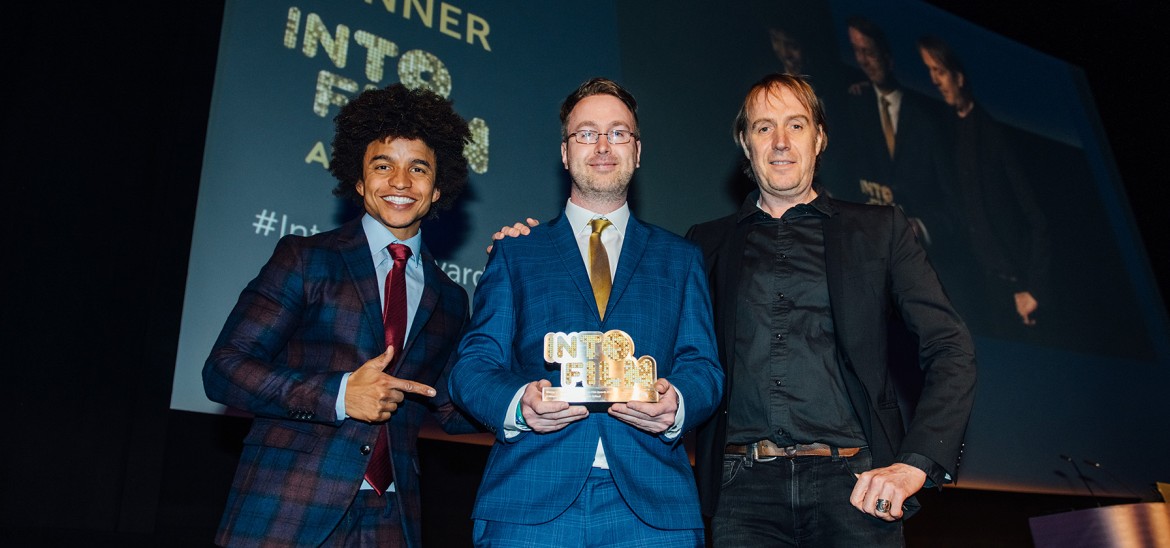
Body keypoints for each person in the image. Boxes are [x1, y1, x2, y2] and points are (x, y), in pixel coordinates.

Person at [686, 73, 977, 546]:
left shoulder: (880, 229)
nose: (780, 142)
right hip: (742, 494)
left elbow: (950, 347)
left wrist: (915, 463)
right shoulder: (705, 243)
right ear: (744, 142)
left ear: (819, 137)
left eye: (796, 125)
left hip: (858, 488)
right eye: (763, 128)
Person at [449, 77, 724, 547]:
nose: (602, 145)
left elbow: (704, 367)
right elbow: (473, 366)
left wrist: (676, 401)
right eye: (586, 133)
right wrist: (520, 403)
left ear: (638, 152)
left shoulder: (681, 258)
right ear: (564, 152)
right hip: (529, 501)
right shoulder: (517, 253)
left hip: (653, 509)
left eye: (618, 133)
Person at [203, 83, 480, 548]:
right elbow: (225, 369)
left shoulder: (450, 298)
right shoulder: (305, 258)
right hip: (288, 505)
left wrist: (531, 399)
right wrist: (338, 394)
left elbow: (452, 409)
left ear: (437, 189)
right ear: (358, 180)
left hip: (393, 516)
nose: (399, 181)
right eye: (382, 165)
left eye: (418, 168)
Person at [917, 35, 1051, 334]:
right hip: (986, 284)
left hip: (1020, 291)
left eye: (939, 72)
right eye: (929, 72)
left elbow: (1037, 217)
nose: (934, 81)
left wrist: (1034, 289)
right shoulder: (949, 127)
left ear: (959, 76)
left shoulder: (995, 135)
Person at [833, 16, 958, 260]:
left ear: (889, 55)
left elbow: (955, 201)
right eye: (857, 51)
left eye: (869, 52)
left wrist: (921, 228)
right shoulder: (856, 103)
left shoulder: (931, 117)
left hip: (930, 261)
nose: (863, 61)